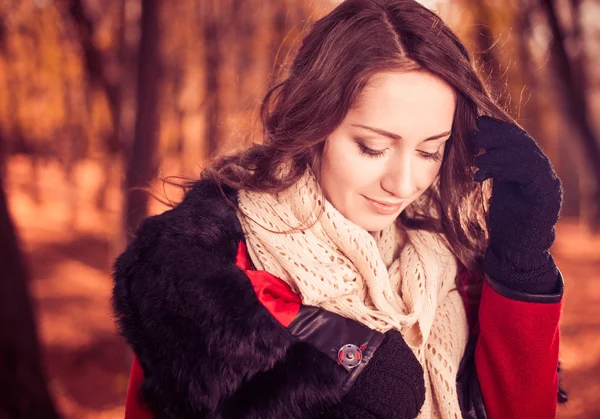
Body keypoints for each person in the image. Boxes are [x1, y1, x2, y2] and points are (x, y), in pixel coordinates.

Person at [112, 0, 567, 418]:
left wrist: (522, 268)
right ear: (314, 123)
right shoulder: (197, 282)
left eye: (431, 151)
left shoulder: (454, 262)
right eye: (371, 147)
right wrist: (342, 359)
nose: (403, 183)